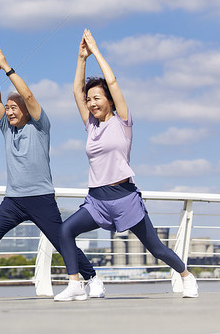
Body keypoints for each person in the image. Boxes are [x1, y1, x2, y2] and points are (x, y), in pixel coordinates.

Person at [54, 30, 199, 302]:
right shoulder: (91, 126)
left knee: (155, 248)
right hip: (97, 199)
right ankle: (76, 284)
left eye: (97, 98)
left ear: (108, 99)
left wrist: (96, 50)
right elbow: (75, 90)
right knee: (65, 230)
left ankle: (186, 276)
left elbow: (112, 80)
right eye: (89, 100)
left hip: (124, 198)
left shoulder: (122, 123)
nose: (91, 103)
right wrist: (80, 58)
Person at [0, 46, 104, 302]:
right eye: (8, 108)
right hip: (13, 200)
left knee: (62, 240)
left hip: (41, 198)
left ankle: (93, 278)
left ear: (26, 110)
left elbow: (27, 94)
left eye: (15, 107)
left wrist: (6, 67)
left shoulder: (40, 126)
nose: (10, 111)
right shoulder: (7, 128)